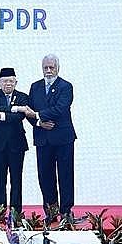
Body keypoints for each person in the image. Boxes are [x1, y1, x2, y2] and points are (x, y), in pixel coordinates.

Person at [21, 54, 76, 224]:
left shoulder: (66, 86)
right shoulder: (35, 86)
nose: (48, 70)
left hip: (63, 138)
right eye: (46, 67)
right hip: (43, 138)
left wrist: (37, 115)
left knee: (65, 175)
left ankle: (66, 212)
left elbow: (61, 108)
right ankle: (50, 210)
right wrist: (38, 122)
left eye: (51, 67)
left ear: (58, 68)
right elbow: (28, 111)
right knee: (45, 175)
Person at [0, 67, 30, 214]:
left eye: (11, 81)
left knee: (16, 179)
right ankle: (0, 212)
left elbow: (20, 117)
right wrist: (16, 109)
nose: (8, 84)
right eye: (5, 81)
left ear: (16, 82)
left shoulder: (23, 96)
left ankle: (16, 213)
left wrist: (3, 114)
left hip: (17, 143)